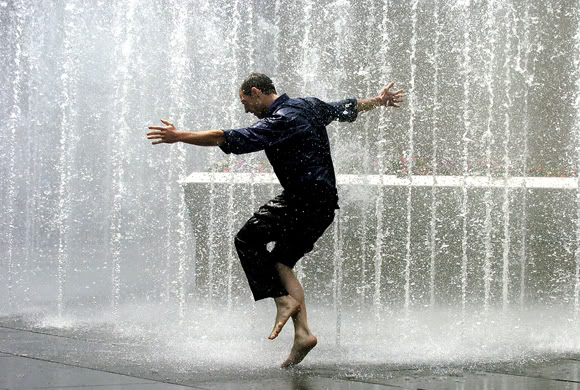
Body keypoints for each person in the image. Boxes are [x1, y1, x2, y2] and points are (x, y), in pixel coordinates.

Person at [146, 73, 404, 367]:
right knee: (281, 263)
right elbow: (346, 106)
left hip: (303, 199)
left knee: (246, 239)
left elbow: (226, 137)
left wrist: (180, 136)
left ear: (256, 92)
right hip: (323, 204)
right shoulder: (308, 105)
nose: (246, 109)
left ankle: (282, 301)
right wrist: (379, 101)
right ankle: (303, 334)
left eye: (245, 102)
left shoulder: (279, 120)